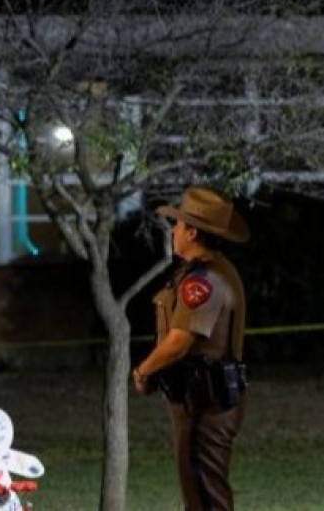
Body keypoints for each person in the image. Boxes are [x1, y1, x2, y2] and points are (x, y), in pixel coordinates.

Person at [132, 185, 249, 511]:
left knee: (206, 499)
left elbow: (179, 341)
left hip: (204, 404)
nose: (173, 231)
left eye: (178, 225)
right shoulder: (208, 270)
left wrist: (143, 371)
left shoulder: (205, 281)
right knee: (200, 495)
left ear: (193, 232)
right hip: (204, 401)